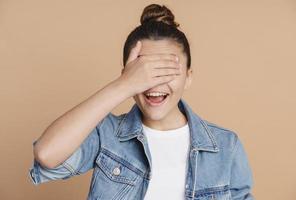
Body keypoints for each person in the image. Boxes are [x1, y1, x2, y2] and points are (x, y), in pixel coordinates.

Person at [28, 3, 254, 200]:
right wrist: (123, 85)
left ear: (188, 77)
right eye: (143, 72)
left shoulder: (226, 146)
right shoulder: (107, 136)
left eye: (166, 70)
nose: (154, 84)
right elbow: (47, 155)